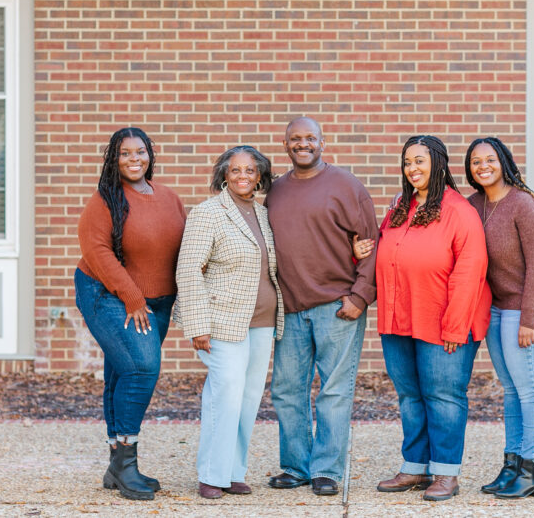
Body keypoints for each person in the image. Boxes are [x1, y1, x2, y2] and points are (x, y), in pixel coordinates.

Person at [356, 135, 489, 501]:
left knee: (443, 396)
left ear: (439, 163)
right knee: (410, 396)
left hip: (443, 320)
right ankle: (415, 468)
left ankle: (445, 473)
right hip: (399, 318)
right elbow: (384, 252)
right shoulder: (400, 206)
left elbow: (471, 269)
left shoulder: (458, 210)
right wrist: (362, 250)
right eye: (407, 162)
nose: (412, 168)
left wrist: (456, 324)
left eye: (419, 160)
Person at [264, 117, 379, 497]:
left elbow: (372, 243)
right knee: (286, 390)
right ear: (285, 145)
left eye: (310, 138)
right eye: (295, 139)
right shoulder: (276, 190)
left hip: (337, 307)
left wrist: (360, 296)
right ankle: (297, 466)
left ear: (322, 142)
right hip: (291, 309)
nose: (303, 144)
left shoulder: (346, 185)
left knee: (333, 391)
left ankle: (327, 470)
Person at [74, 127, 187, 501]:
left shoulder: (169, 197)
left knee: (123, 369)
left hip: (159, 300)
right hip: (107, 294)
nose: (134, 159)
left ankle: (114, 465)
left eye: (140, 152)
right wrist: (133, 297)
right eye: (125, 153)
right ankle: (126, 463)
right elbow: (97, 252)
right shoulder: (105, 200)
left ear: (150, 154)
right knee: (141, 368)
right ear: (114, 159)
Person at [174, 145, 284, 499]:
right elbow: (188, 269)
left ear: (260, 176)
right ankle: (211, 473)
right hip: (222, 321)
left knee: (249, 397)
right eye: (235, 170)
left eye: (250, 171)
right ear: (224, 174)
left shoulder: (263, 213)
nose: (242, 177)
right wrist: (197, 324)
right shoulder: (208, 213)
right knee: (226, 393)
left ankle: (233, 471)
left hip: (262, 322)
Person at [465, 137, 534, 499]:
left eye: (489, 160)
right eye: (475, 162)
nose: (482, 167)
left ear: (503, 162)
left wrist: (529, 319)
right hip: (498, 305)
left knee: (531, 388)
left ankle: (532, 470)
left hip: (532, 303)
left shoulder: (524, 204)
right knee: (511, 389)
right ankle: (512, 466)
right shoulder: (473, 205)